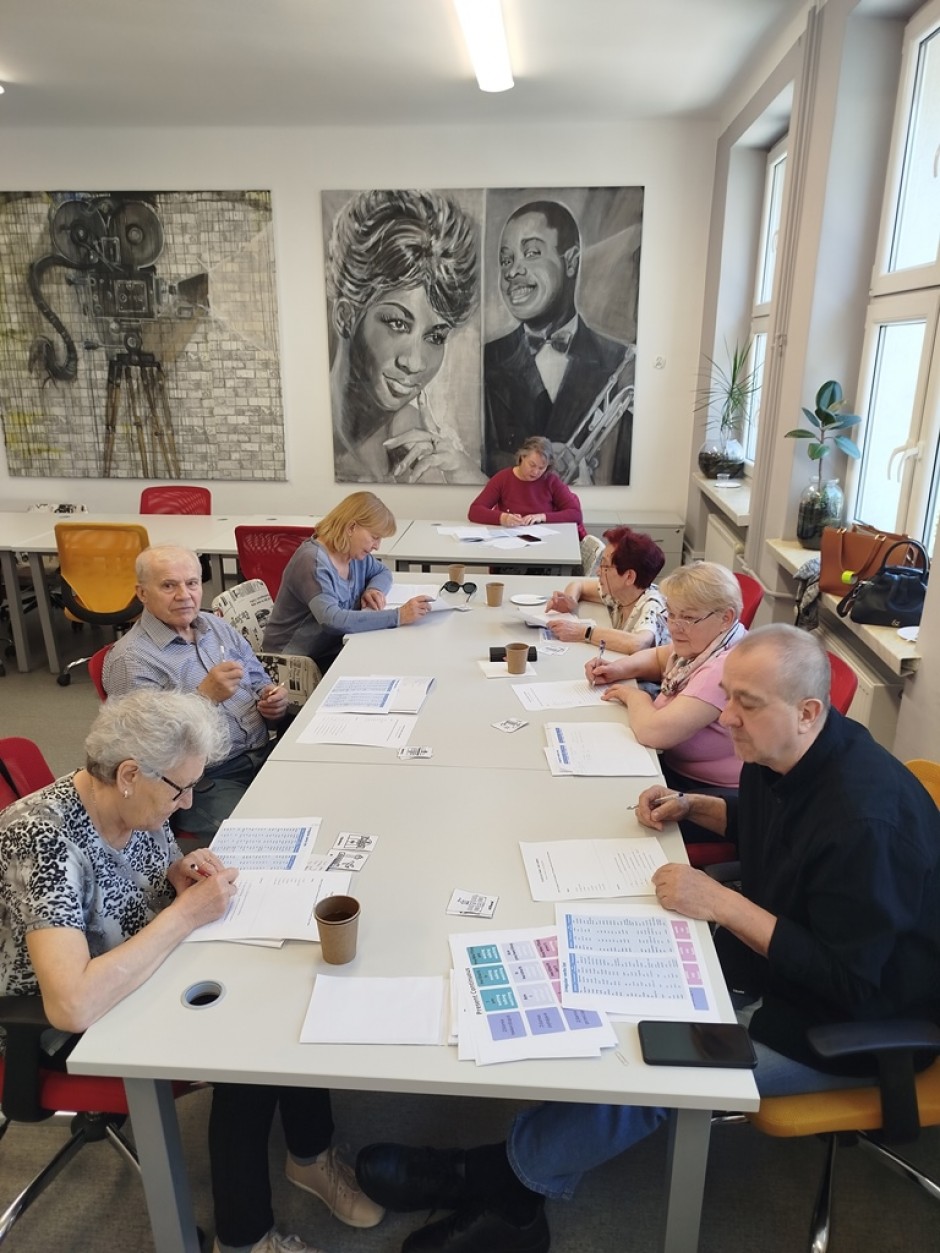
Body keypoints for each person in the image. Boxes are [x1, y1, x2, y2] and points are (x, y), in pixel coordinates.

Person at [352, 626, 940, 1253]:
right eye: (728, 695)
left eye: (746, 704)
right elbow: (776, 828)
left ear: (808, 711)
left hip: (852, 1027)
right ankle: (516, 1171)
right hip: (783, 967)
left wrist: (722, 903)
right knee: (616, 979)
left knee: (656, 1056)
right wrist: (693, 806)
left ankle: (505, 1183)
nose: (726, 717)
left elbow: (852, 982)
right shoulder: (791, 751)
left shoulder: (866, 823)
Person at [0, 690, 384, 1253]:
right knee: (249, 1054)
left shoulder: (131, 802)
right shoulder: (40, 836)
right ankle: (245, 1238)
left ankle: (310, 1155)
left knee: (288, 988)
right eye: (180, 789)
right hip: (59, 1024)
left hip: (145, 967)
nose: (187, 803)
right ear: (129, 774)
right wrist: (183, 915)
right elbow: (71, 1003)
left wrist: (176, 873)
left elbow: (133, 887)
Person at [103, 545, 289, 838]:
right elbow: (145, 751)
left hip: (264, 750)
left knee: (321, 793)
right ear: (142, 593)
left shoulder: (215, 626)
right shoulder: (131, 659)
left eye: (191, 583)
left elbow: (258, 679)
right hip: (203, 780)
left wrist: (272, 700)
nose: (184, 595)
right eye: (168, 586)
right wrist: (204, 698)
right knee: (266, 833)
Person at [327, 188, 482, 485]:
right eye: (397, 324)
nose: (415, 362)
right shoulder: (305, 431)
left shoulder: (424, 448)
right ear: (346, 317)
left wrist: (462, 474)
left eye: (435, 337)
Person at [483, 199, 633, 484]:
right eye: (506, 260)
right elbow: (478, 459)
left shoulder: (620, 362)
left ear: (571, 262)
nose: (512, 271)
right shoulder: (485, 360)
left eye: (531, 253)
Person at [589, 562, 745, 828]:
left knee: (610, 817)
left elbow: (654, 733)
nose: (674, 627)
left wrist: (636, 697)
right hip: (677, 771)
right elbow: (662, 657)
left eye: (688, 618)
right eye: (670, 614)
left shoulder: (724, 666)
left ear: (726, 618)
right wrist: (618, 668)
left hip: (715, 796)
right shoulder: (710, 642)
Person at [262, 491, 432, 673]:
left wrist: (374, 589)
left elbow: (382, 572)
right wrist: (399, 616)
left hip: (329, 651)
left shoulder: (353, 555)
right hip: (291, 664)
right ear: (351, 528)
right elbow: (332, 620)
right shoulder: (312, 561)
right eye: (374, 537)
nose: (377, 546)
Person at [543, 525, 669, 651]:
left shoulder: (653, 606)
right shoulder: (620, 593)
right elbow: (578, 585)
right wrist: (570, 601)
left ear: (629, 577)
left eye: (605, 566)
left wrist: (583, 632)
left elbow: (638, 643)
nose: (598, 571)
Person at [467, 436, 585, 538]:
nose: (535, 472)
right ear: (522, 457)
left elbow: (575, 514)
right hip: (510, 542)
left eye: (541, 468)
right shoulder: (503, 478)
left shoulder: (551, 480)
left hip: (545, 543)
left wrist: (542, 517)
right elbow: (475, 511)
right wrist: (503, 518)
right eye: (532, 465)